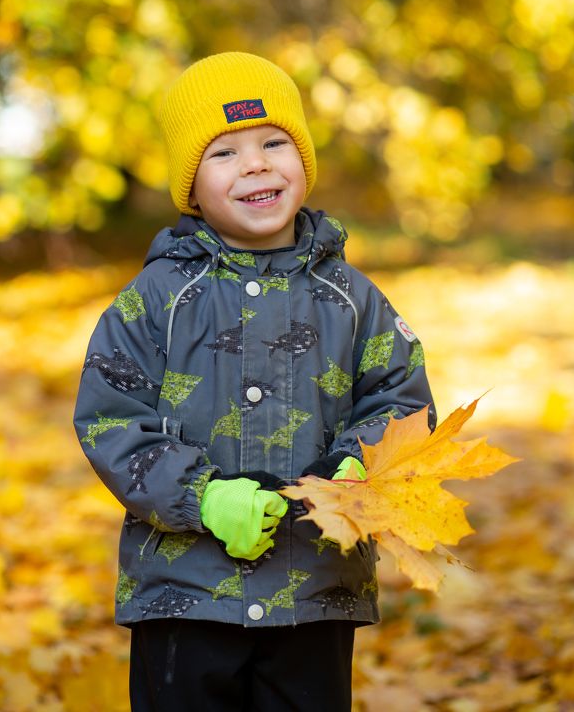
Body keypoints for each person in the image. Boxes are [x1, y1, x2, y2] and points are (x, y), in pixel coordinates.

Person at [74, 52, 435, 711]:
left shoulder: (351, 297)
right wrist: (198, 496)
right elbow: (110, 416)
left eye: (275, 143)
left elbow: (401, 397)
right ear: (190, 187)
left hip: (315, 591)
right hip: (185, 593)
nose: (257, 165)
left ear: (303, 160)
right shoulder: (156, 299)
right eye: (225, 153)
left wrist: (360, 469)